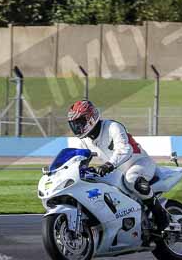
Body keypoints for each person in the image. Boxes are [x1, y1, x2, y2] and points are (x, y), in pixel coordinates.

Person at [67, 99, 171, 232]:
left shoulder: (112, 127)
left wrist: (109, 165)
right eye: (74, 125)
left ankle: (160, 214)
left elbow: (125, 149)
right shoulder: (85, 140)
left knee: (132, 178)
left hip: (140, 163)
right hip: (117, 170)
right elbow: (79, 157)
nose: (77, 128)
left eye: (80, 123)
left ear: (90, 118)